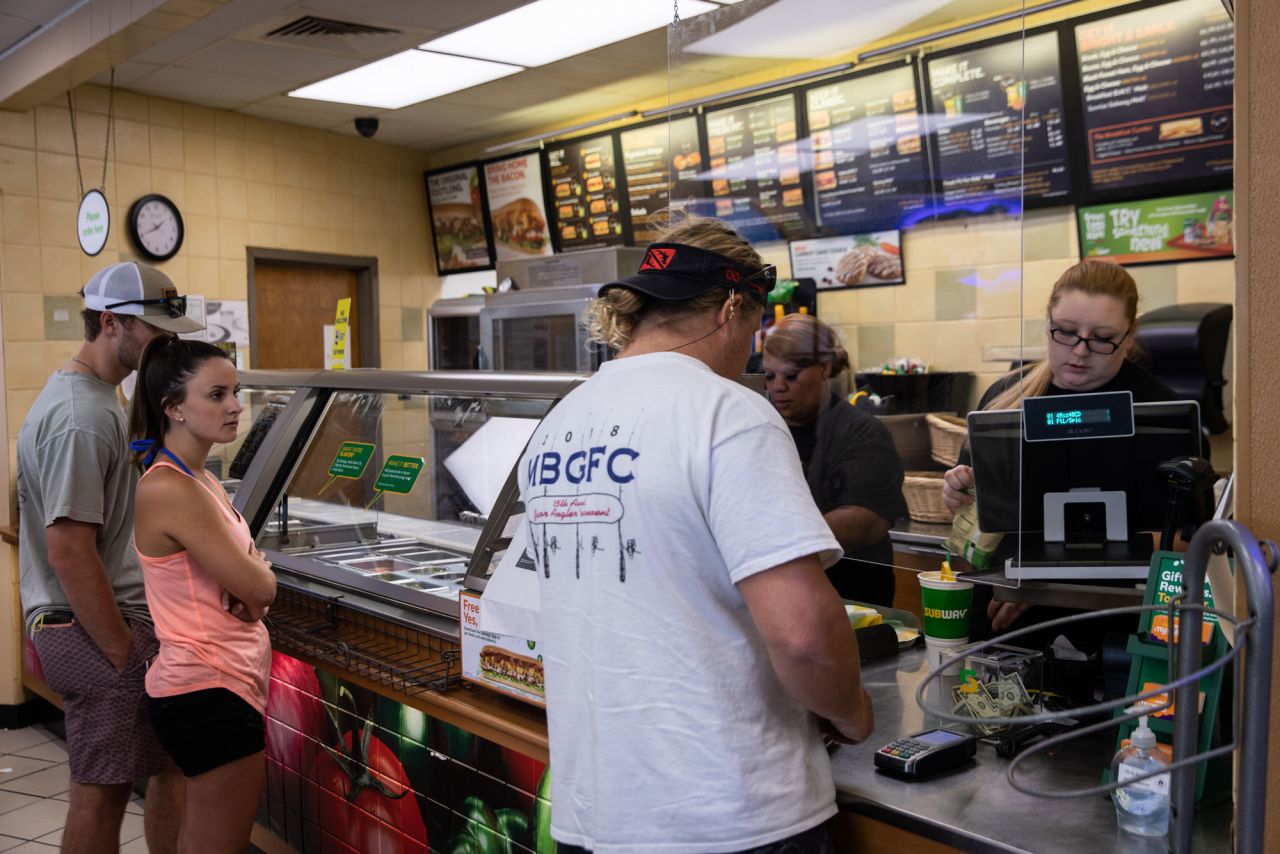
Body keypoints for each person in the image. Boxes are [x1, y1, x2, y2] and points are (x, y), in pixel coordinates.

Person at [518, 215, 874, 853]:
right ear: (733, 306)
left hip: (594, 812)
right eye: (756, 327)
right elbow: (802, 638)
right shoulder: (729, 413)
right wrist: (851, 713)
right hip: (730, 813)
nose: (753, 354)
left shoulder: (559, 421)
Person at [17, 261, 203, 854]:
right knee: (101, 795)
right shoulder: (81, 417)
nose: (163, 344)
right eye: (151, 329)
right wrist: (123, 651)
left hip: (112, 621)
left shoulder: (102, 399)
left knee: (166, 769)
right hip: (95, 628)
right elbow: (69, 549)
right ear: (108, 323)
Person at [941, 259, 1177, 636]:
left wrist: (1047, 581)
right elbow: (978, 529)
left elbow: (1184, 540)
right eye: (1065, 332)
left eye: (1102, 338)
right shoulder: (1005, 399)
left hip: (1110, 623)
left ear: (1129, 335)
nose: (1080, 351)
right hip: (1002, 614)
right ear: (1047, 321)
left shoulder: (1157, 414)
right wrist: (959, 495)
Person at [129, 338, 277, 854]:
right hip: (208, 690)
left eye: (235, 392)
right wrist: (256, 583)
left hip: (217, 684)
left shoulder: (204, 480)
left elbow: (251, 589)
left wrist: (252, 585)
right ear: (173, 408)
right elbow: (259, 586)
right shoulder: (171, 488)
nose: (235, 406)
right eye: (216, 395)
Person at [762, 314, 907, 607]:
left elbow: (863, 523)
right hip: (781, 595)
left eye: (790, 376)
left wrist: (770, 543)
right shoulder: (761, 429)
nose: (777, 387)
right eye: (769, 376)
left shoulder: (862, 432)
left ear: (824, 368)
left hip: (854, 597)